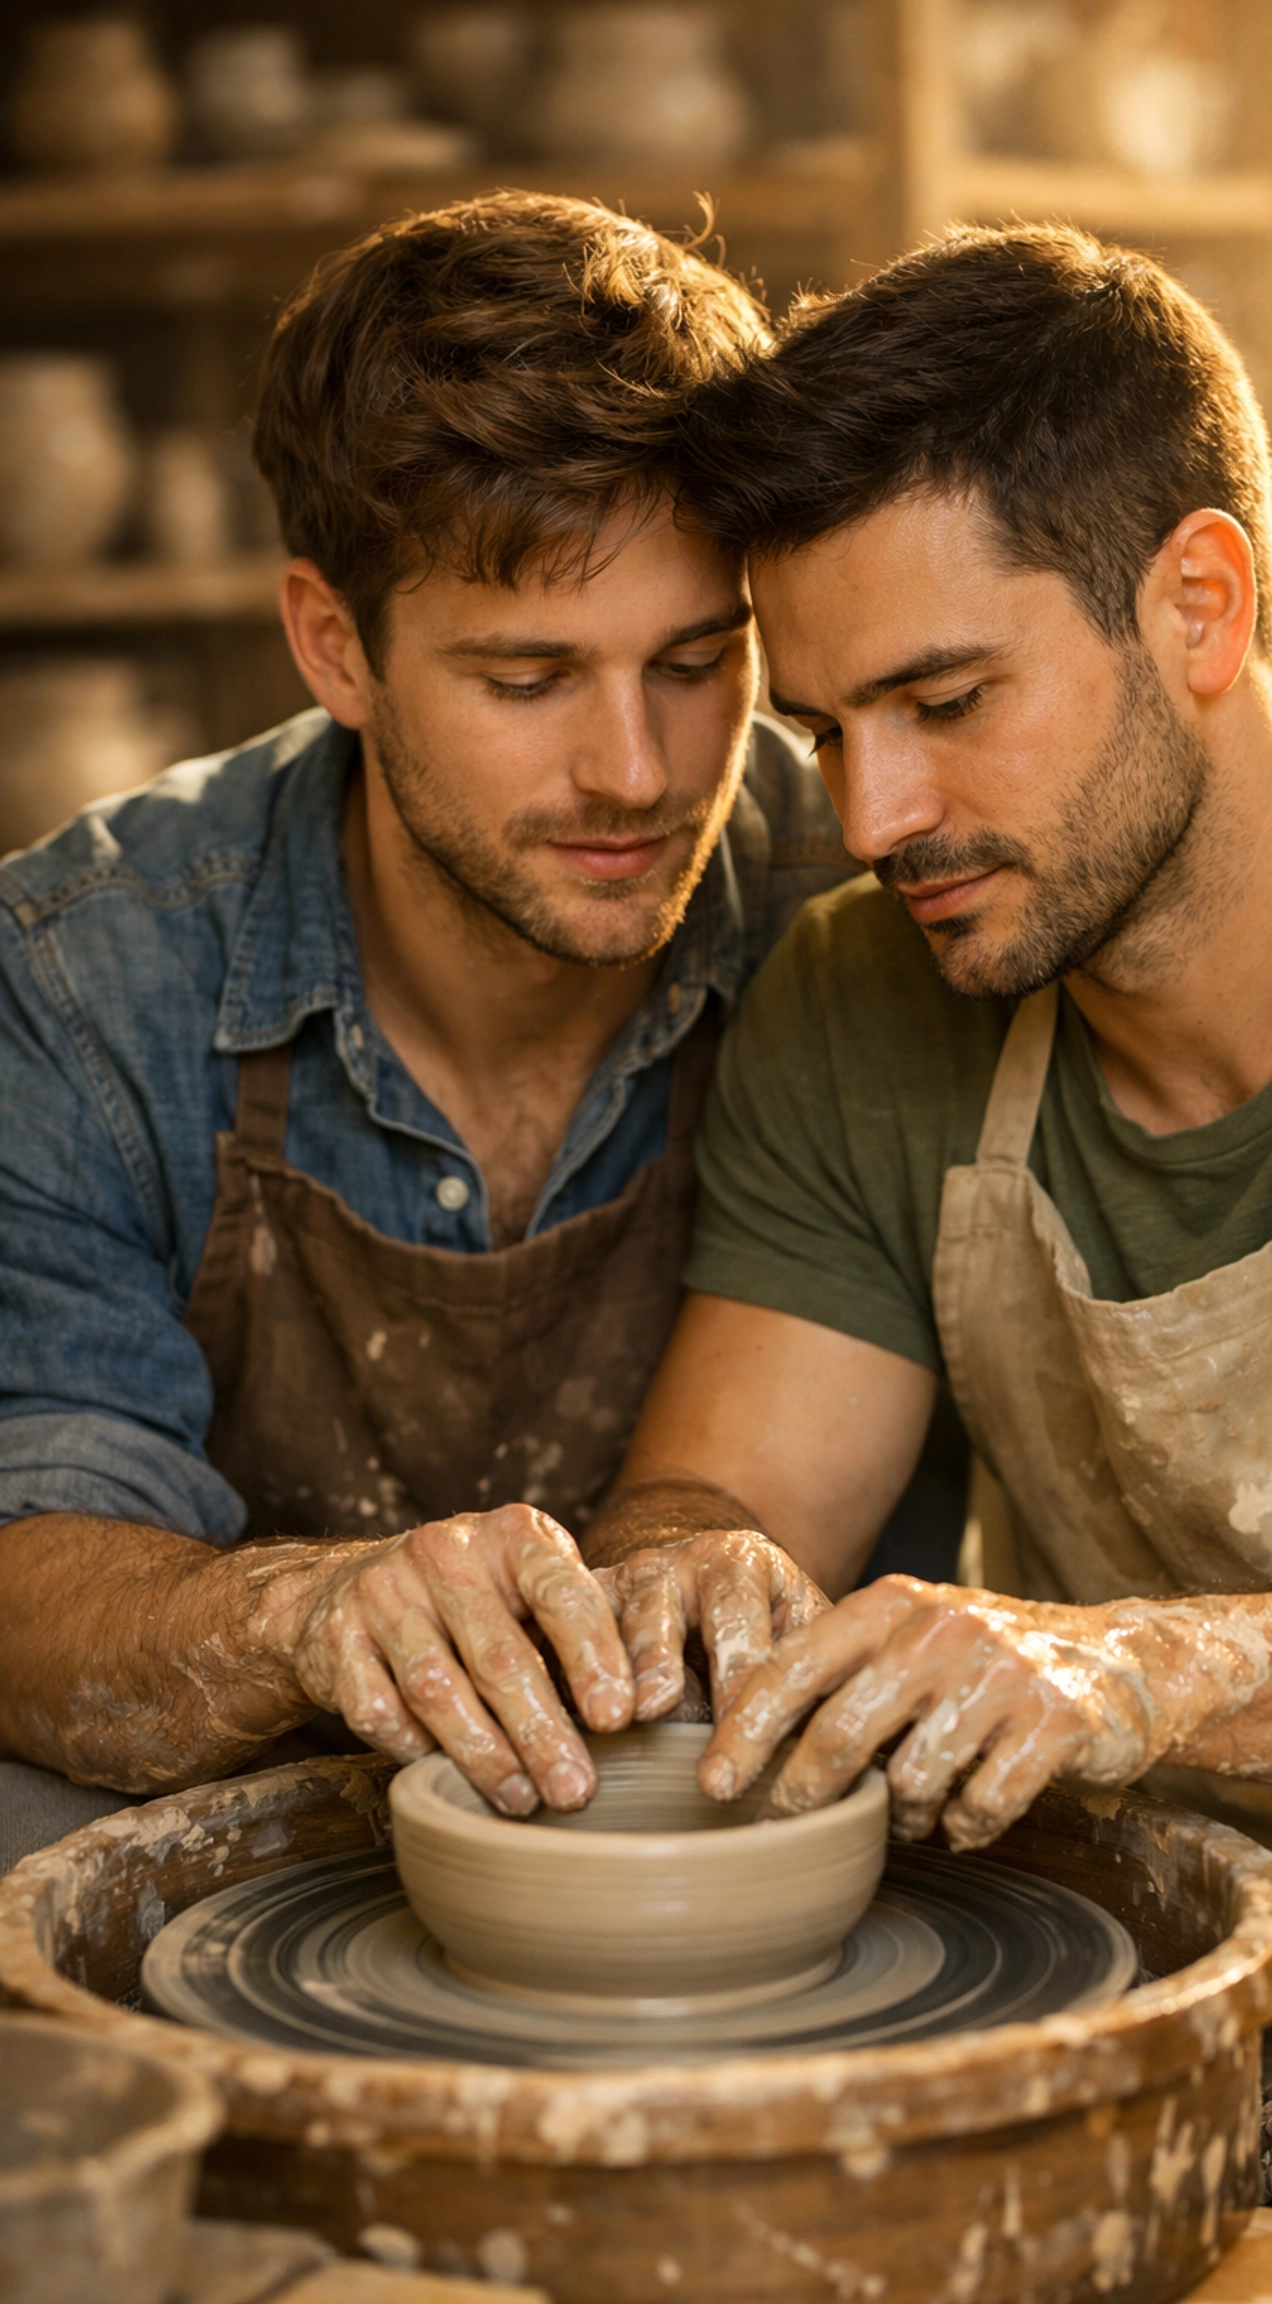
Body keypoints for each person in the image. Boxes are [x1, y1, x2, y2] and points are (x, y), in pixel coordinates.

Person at [584, 225, 1272, 2292]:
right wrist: (696, 1584)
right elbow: (729, 1492)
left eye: (943, 703)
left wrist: (1130, 1660)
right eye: (828, 728)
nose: (871, 814)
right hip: (1179, 1936)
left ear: (1199, 599)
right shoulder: (866, 996)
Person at [0, 192, 838, 1870]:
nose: (639, 770)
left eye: (695, 660)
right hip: (265, 1814)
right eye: (528, 680)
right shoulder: (95, 974)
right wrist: (299, 1615)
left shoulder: (855, 901)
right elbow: (34, 1560)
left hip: (732, 1823)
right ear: (337, 646)